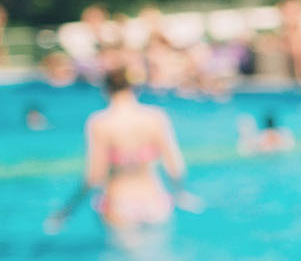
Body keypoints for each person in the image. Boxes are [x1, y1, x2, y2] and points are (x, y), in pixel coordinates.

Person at [45, 69, 197, 232]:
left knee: (124, 254)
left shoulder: (100, 122)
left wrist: (67, 210)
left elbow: (94, 176)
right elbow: (175, 166)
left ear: (106, 90)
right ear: (134, 87)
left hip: (118, 203)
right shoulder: (156, 117)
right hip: (155, 201)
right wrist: (181, 194)